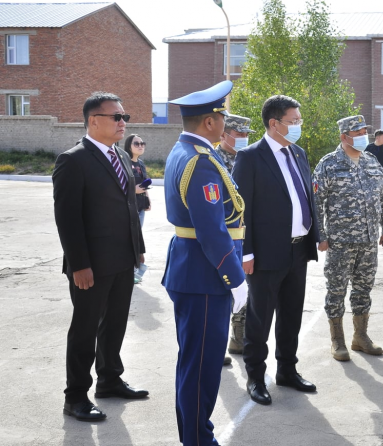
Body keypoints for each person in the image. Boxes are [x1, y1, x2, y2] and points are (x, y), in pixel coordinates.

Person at [162, 80, 248, 445]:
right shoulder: (199, 162)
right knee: (202, 368)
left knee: (193, 363)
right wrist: (236, 279)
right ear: (210, 122)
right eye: (222, 117)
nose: (226, 124)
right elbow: (212, 233)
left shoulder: (186, 151)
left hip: (193, 272)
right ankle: (198, 439)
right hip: (205, 277)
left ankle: (194, 435)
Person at [53, 92, 147, 422]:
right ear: (94, 120)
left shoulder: (120, 157)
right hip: (90, 264)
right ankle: (76, 395)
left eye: (125, 116)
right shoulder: (73, 160)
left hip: (123, 259)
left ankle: (109, 380)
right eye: (116, 117)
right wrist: (79, 264)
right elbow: (68, 218)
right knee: (85, 329)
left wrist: (138, 249)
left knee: (115, 323)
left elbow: (129, 208)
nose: (124, 122)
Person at [232, 95, 320, 405]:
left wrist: (316, 234)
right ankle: (256, 377)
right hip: (265, 254)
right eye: (293, 121)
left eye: (299, 121)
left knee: (291, 314)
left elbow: (306, 197)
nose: (298, 126)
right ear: (274, 123)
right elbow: (242, 210)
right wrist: (246, 252)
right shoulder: (251, 157)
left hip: (298, 250)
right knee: (260, 319)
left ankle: (287, 370)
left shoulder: (298, 153)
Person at [314, 115, 383, 362]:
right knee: (336, 291)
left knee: (363, 290)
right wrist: (321, 236)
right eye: (357, 132)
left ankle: (361, 337)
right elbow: (316, 202)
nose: (362, 136)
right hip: (340, 242)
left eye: (364, 131)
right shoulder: (328, 164)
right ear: (344, 136)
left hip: (369, 241)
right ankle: (337, 340)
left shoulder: (372, 162)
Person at [214, 113, 255, 360]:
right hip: (222, 237)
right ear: (223, 134)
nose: (243, 139)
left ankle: (238, 339)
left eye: (246, 135)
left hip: (245, 237)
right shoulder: (214, 160)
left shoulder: (248, 159)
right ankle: (216, 347)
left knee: (243, 289)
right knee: (221, 293)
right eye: (239, 134)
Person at [124, 133, 151, 284]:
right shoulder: (125, 163)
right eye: (136, 144)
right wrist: (133, 190)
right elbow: (121, 185)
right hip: (129, 206)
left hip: (140, 206)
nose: (140, 146)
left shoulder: (140, 163)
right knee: (132, 239)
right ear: (129, 146)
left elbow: (144, 183)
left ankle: (135, 270)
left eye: (142, 143)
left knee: (137, 238)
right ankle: (132, 270)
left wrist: (148, 200)